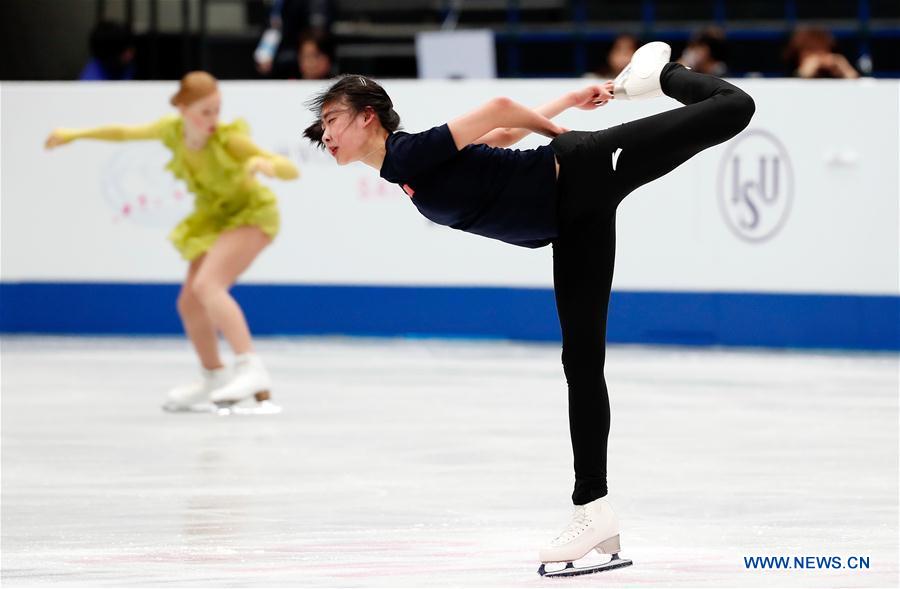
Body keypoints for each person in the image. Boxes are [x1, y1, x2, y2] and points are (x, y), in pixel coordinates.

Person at [302, 42, 754, 576]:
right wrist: (566, 100)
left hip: (583, 170)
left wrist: (567, 140)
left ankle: (665, 75)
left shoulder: (407, 153)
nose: (325, 134)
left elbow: (498, 109)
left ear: (367, 116)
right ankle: (595, 510)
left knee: (734, 107)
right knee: (581, 362)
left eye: (332, 119)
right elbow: (503, 135)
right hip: (573, 217)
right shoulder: (402, 168)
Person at [45, 71, 300, 413]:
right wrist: (75, 134)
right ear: (183, 108)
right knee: (190, 302)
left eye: (217, 110)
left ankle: (251, 367)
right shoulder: (171, 131)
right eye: (205, 111)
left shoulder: (228, 140)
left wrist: (266, 164)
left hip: (253, 215)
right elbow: (123, 133)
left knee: (209, 285)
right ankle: (214, 375)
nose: (213, 119)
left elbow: (289, 168)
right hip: (215, 219)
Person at [784, 26, 859, 79]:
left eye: (821, 49)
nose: (818, 56)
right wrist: (803, 74)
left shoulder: (833, 73)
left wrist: (847, 71)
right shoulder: (785, 72)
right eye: (811, 50)